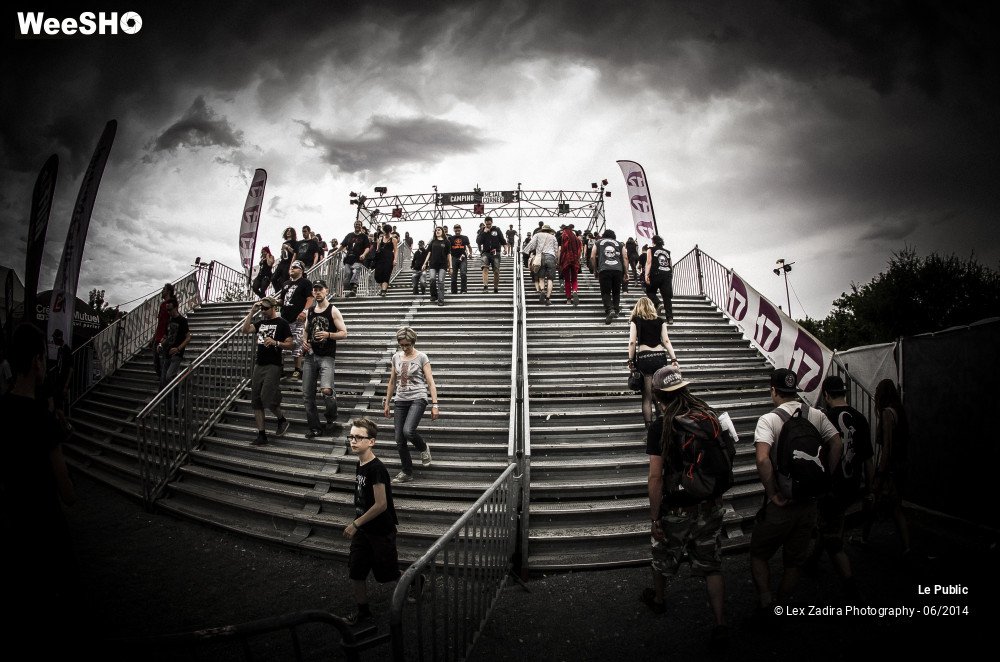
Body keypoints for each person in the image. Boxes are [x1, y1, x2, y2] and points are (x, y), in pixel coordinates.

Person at [1, 323, 81, 652]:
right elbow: (67, 493)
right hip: (45, 523)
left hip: (12, 520)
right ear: (37, 361)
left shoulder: (2, 407)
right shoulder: (41, 419)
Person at [642, 365, 729, 648]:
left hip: (677, 508)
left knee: (662, 554)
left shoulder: (661, 427)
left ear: (657, 395)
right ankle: (719, 624)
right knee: (711, 564)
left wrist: (655, 518)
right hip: (710, 503)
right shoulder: (707, 415)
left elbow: (655, 477)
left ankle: (658, 600)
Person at [749, 368, 842, 617]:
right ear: (795, 390)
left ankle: (766, 603)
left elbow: (762, 460)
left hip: (782, 504)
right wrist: (825, 479)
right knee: (794, 562)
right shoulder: (816, 415)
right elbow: (837, 443)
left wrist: (773, 493)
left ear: (773, 391)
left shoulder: (768, 420)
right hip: (809, 502)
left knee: (758, 555)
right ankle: (781, 605)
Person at [807, 375, 873, 600]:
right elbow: (867, 459)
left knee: (832, 535)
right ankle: (812, 562)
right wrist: (870, 489)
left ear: (826, 395)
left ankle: (850, 583)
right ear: (844, 393)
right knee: (829, 523)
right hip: (852, 484)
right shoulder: (861, 419)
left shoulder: (823, 419)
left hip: (831, 485)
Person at [341, 417, 400, 625]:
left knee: (387, 573)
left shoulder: (377, 469)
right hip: (364, 531)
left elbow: (381, 504)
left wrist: (355, 523)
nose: (353, 441)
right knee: (356, 570)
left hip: (380, 531)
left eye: (358, 437)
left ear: (371, 441)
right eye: (351, 436)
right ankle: (363, 612)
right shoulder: (361, 463)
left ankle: (414, 581)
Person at [861, 379, 911, 555]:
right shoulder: (899, 410)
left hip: (890, 468)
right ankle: (906, 547)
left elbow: (887, 447)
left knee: (875, 502)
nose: (875, 393)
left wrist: (880, 472)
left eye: (877, 391)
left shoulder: (887, 414)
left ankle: (863, 538)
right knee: (895, 507)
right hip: (901, 464)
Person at [383, 327, 439, 483]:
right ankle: (407, 472)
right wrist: (387, 402)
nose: (405, 348)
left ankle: (423, 448)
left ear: (413, 342)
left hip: (418, 397)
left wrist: (435, 404)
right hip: (400, 399)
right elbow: (392, 381)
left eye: (408, 345)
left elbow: (430, 381)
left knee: (408, 431)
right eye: (402, 345)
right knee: (399, 439)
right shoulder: (396, 357)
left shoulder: (421, 357)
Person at [241, 297, 292, 446]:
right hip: (259, 364)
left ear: (273, 307)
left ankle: (282, 419)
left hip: (273, 364)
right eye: (261, 308)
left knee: (266, 397)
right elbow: (245, 330)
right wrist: (252, 311)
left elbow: (290, 344)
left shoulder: (282, 323)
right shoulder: (261, 323)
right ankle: (262, 435)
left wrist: (276, 342)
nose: (263, 311)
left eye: (265, 308)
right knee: (256, 401)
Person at [302, 280, 348, 438]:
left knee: (327, 390)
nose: (317, 292)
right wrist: (304, 341)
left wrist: (328, 334)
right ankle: (314, 427)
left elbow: (344, 333)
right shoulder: (310, 311)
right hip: (310, 356)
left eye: (320, 289)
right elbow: (306, 329)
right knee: (307, 395)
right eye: (315, 290)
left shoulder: (333, 310)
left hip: (327, 356)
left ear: (326, 290)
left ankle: (331, 418)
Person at [628, 297, 679, 428]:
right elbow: (666, 341)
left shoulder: (636, 320)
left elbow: (632, 342)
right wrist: (674, 359)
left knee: (647, 396)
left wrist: (630, 360)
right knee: (660, 393)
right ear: (651, 307)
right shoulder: (661, 321)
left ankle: (650, 429)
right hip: (660, 357)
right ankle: (664, 425)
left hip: (645, 358)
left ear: (638, 307)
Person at [278, 260, 313, 380]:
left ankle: (297, 369)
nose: (291, 269)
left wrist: (304, 311)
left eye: (295, 267)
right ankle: (280, 369)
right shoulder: (286, 283)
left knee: (297, 343)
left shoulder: (305, 282)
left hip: (298, 318)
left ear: (301, 270)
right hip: (284, 318)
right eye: (291, 267)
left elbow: (310, 299)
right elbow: (282, 300)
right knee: (280, 343)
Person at [590, 229, 629, 324]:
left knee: (605, 292)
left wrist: (595, 270)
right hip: (617, 270)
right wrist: (626, 272)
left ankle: (609, 310)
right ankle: (615, 310)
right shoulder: (620, 244)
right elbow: (625, 257)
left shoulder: (598, 242)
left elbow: (592, 256)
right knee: (616, 292)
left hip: (604, 269)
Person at [157, 297, 192, 392]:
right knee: (163, 380)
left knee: (169, 376)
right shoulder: (168, 320)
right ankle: (168, 401)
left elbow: (188, 337)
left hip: (176, 354)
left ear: (176, 308)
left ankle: (180, 390)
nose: (168, 312)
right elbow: (165, 336)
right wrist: (160, 344)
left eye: (170, 309)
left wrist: (178, 349)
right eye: (167, 310)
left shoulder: (182, 321)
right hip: (166, 353)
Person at [522, 224, 559, 305]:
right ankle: (548, 298)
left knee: (541, 277)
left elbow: (531, 245)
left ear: (542, 230)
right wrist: (557, 260)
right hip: (551, 257)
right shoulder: (553, 237)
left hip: (540, 257)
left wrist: (525, 251)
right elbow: (556, 250)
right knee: (550, 279)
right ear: (550, 230)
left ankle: (542, 290)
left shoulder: (537, 235)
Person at [47, 328, 74, 431]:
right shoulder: (60, 350)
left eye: (54, 338)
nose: (53, 340)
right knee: (56, 404)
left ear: (59, 338)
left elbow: (71, 369)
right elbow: (59, 366)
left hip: (63, 382)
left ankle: (67, 426)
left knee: (59, 406)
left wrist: (66, 386)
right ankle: (62, 426)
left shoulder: (67, 350)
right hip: (58, 381)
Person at [645, 235, 674, 322]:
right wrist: (670, 275)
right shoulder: (667, 252)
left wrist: (646, 274)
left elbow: (649, 262)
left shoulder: (651, 249)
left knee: (650, 291)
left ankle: (658, 303)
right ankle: (669, 318)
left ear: (653, 242)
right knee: (667, 297)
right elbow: (671, 265)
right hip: (667, 274)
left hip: (656, 274)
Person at [339, 220, 372, 297]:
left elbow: (367, 247)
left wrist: (364, 254)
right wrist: (336, 252)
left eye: (359, 224)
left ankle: (354, 288)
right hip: (349, 258)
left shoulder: (364, 236)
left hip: (358, 258)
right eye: (356, 224)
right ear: (354, 226)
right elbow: (343, 245)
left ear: (361, 226)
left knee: (356, 270)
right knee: (348, 273)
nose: (357, 225)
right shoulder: (349, 235)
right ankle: (349, 290)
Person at [150, 283, 176, 379]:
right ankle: (162, 378)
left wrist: (167, 336)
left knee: (163, 360)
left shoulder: (171, 304)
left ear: (168, 291)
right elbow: (160, 323)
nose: (162, 291)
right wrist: (153, 337)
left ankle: (164, 380)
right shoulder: (162, 305)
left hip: (165, 337)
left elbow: (172, 321)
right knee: (156, 360)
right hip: (158, 336)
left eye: (164, 289)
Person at [423, 226, 452, 307]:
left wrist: (450, 266)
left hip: (443, 264)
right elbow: (429, 253)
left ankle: (441, 299)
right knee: (432, 279)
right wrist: (425, 263)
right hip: (433, 264)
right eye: (436, 230)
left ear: (442, 231)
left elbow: (449, 254)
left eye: (439, 230)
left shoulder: (447, 242)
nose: (437, 231)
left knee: (441, 281)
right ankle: (433, 295)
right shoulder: (433, 241)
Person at [477, 216, 506, 293]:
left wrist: (505, 248)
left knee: (496, 271)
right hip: (486, 253)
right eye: (487, 224)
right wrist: (484, 232)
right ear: (485, 223)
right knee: (485, 268)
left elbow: (502, 240)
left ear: (492, 222)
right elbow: (478, 241)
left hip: (496, 253)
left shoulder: (497, 230)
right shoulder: (482, 230)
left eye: (489, 224)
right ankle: (485, 287)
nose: (488, 226)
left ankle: (495, 288)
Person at [558, 225, 582, 305]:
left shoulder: (564, 238)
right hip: (575, 261)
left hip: (566, 261)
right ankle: (575, 291)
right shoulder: (577, 240)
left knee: (567, 280)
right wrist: (578, 260)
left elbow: (562, 250)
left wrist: (559, 261)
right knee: (574, 279)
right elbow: (579, 251)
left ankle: (568, 299)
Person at [372, 223, 398, 297]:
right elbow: (377, 249)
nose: (386, 233)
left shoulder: (394, 239)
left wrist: (395, 259)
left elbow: (396, 250)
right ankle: (383, 289)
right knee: (377, 275)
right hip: (380, 257)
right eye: (385, 231)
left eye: (387, 231)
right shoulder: (380, 239)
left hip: (389, 258)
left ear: (390, 231)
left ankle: (383, 290)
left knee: (386, 274)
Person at [271, 227, 297, 293]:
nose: (288, 232)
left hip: (288, 263)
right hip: (282, 262)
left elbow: (295, 253)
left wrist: (288, 247)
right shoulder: (284, 243)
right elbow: (283, 254)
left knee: (284, 280)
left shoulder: (295, 242)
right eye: (287, 231)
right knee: (273, 278)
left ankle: (282, 294)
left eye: (290, 231)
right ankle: (278, 292)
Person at [449, 223, 472, 294]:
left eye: (458, 228)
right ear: (453, 230)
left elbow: (469, 247)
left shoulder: (465, 237)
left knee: (463, 273)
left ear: (461, 229)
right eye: (455, 228)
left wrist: (470, 253)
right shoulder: (450, 238)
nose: (457, 230)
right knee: (453, 275)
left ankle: (463, 290)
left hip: (463, 258)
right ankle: (454, 291)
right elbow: (448, 250)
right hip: (454, 258)